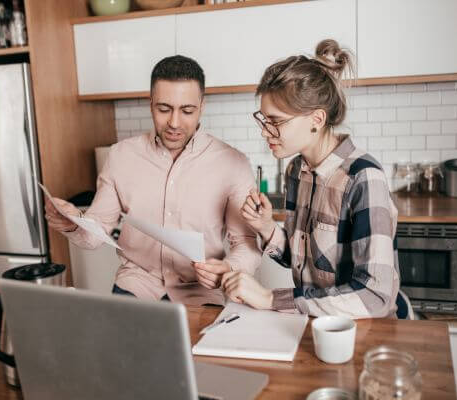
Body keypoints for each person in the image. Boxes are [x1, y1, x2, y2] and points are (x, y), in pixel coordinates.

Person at [45, 55, 261, 305]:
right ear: (150, 104)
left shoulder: (233, 163)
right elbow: (95, 233)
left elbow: (246, 243)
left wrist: (228, 268)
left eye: (187, 110)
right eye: (164, 109)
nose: (174, 123)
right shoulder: (121, 155)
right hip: (135, 285)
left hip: (201, 291)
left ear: (202, 106)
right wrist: (72, 223)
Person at [221, 39, 400, 318]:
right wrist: (266, 228)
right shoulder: (297, 171)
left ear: (316, 119)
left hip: (364, 332)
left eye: (276, 121)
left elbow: (374, 296)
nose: (265, 131)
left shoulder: (363, 178)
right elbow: (304, 261)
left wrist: (271, 298)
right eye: (263, 119)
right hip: (315, 325)